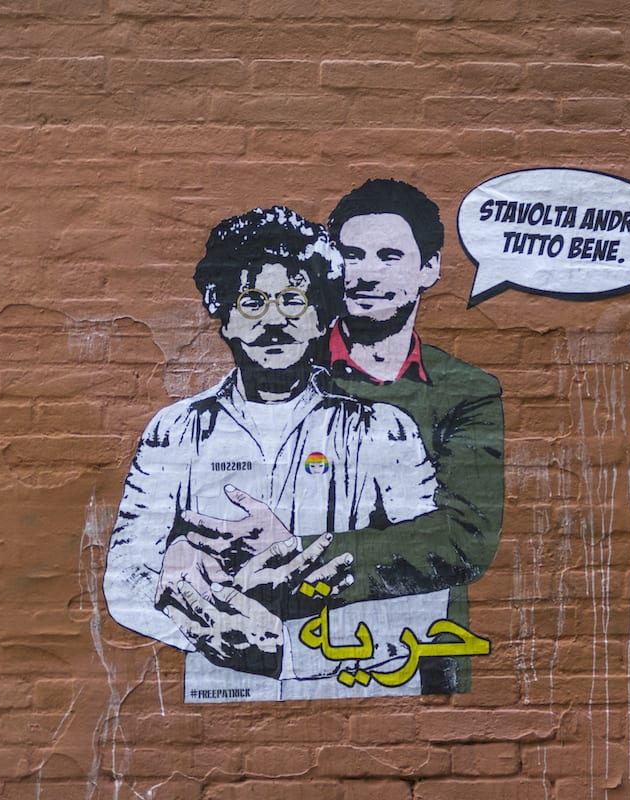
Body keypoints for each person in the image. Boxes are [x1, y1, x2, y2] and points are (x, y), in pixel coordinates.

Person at [104, 206, 449, 702]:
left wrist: (286, 632)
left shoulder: (382, 432)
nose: (273, 320)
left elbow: (428, 580)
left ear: (322, 315)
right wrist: (205, 627)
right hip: (221, 694)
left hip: (356, 690)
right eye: (251, 301)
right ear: (221, 316)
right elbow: (127, 580)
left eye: (293, 299)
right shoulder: (177, 432)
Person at [321, 178, 505, 693]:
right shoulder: (285, 374)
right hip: (298, 647)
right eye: (351, 255)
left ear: (429, 269)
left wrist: (300, 555)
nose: (368, 273)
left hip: (423, 658)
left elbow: (464, 537)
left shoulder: (467, 392)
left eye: (389, 255)